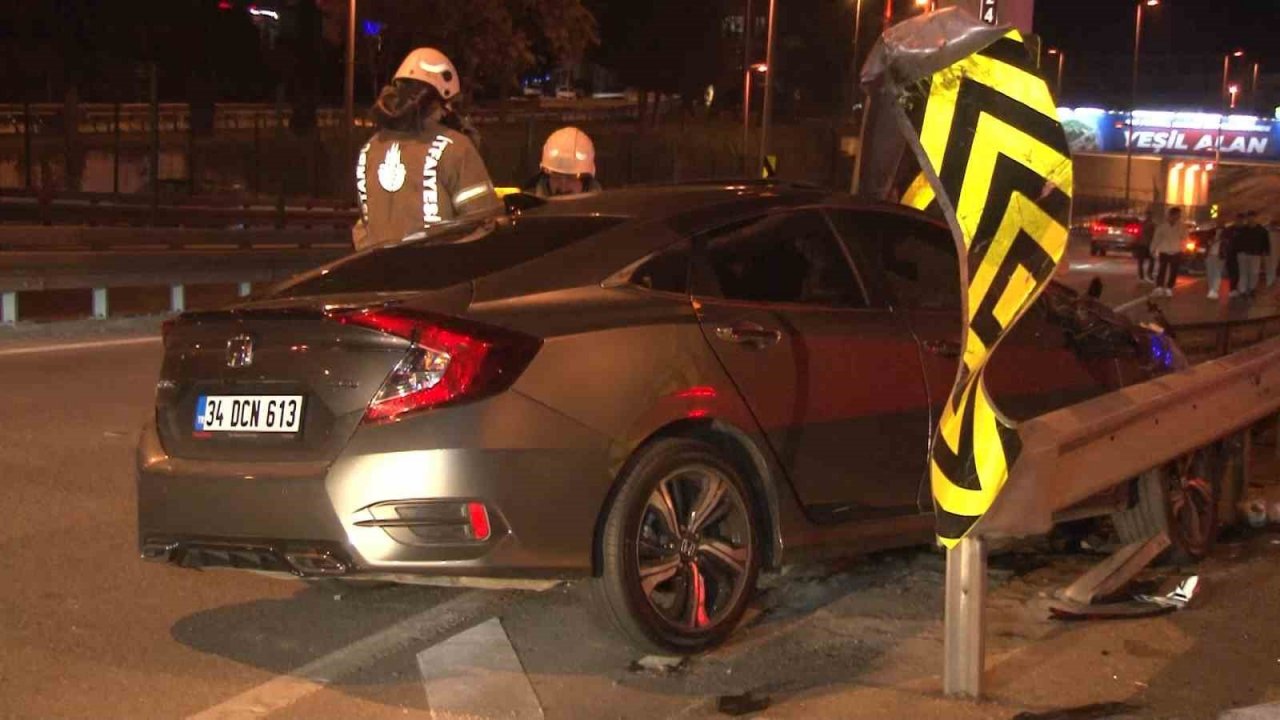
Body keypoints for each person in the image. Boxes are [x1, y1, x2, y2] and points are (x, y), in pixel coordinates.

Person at [352, 48, 502, 251]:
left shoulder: (370, 149)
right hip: (437, 277)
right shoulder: (455, 147)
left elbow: (364, 228)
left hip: (379, 276)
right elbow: (484, 224)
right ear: (442, 102)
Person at [524, 127, 603, 198]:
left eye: (571, 177)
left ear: (586, 181)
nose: (563, 186)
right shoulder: (527, 209)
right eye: (556, 176)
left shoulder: (605, 210)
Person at [1149, 207, 1186, 298]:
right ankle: (1159, 287)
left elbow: (1185, 238)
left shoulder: (1182, 226)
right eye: (1175, 215)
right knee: (1162, 269)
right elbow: (1156, 238)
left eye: (1178, 215)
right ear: (1170, 215)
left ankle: (1169, 287)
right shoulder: (1162, 226)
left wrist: (1183, 250)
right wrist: (1152, 249)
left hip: (1176, 251)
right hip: (1164, 250)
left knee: (1174, 271)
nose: (1177, 217)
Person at [1237, 210, 1269, 297]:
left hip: (1255, 254)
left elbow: (1265, 242)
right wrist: (1238, 251)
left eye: (1252, 217)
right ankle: (1243, 290)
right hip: (1243, 254)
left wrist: (1264, 253)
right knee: (1243, 273)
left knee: (1254, 272)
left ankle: (1251, 288)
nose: (1251, 219)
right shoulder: (1243, 230)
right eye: (1249, 217)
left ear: (1256, 218)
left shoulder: (1261, 230)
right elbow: (1238, 241)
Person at [1206, 219, 1227, 300]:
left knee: (1217, 272)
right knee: (1210, 273)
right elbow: (1206, 241)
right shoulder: (1211, 231)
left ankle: (1215, 289)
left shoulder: (1226, 232)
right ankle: (1211, 289)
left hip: (1220, 255)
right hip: (1210, 254)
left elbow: (1227, 243)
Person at [1136, 208, 1156, 283]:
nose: (1148, 216)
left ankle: (1148, 275)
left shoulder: (1151, 224)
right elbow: (1139, 234)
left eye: (1149, 215)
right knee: (1142, 261)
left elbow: (1154, 235)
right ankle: (1142, 276)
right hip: (1143, 244)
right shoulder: (1144, 224)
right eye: (1148, 214)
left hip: (1148, 244)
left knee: (1151, 260)